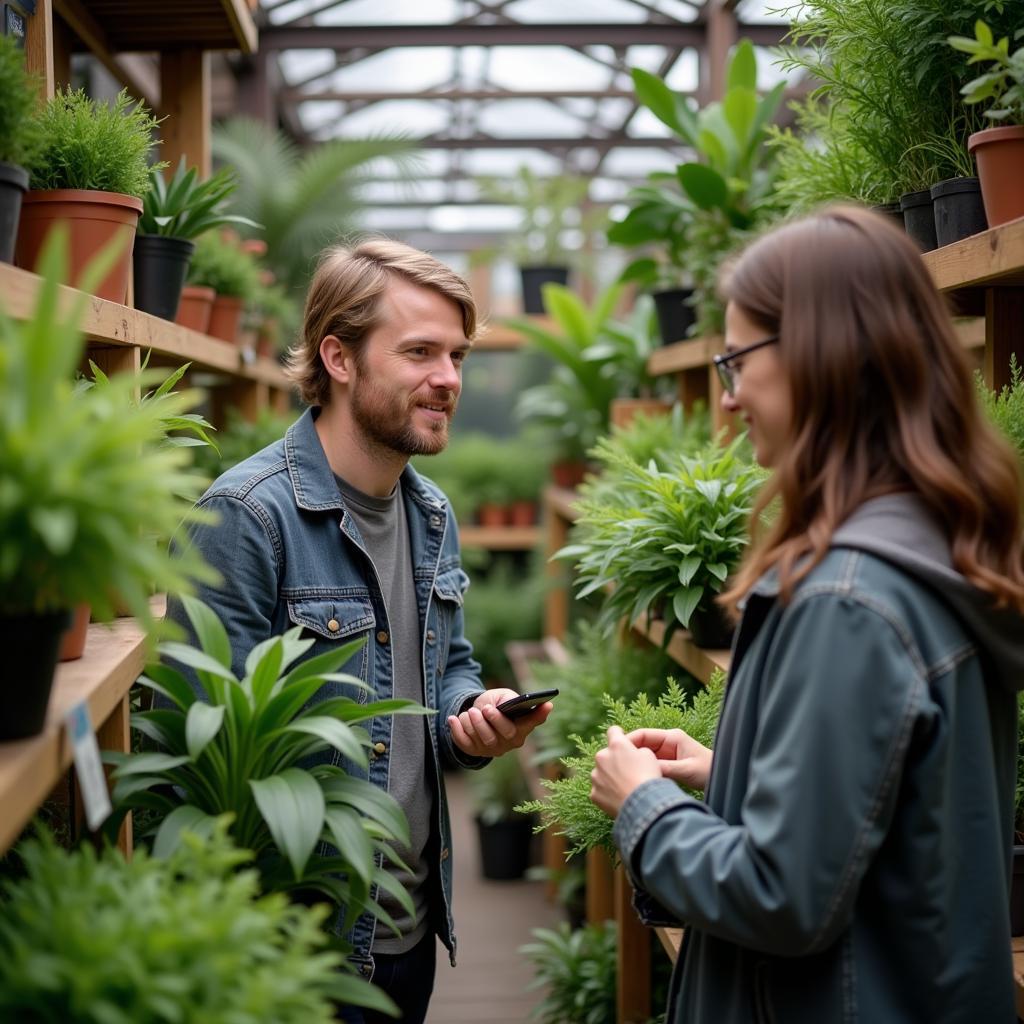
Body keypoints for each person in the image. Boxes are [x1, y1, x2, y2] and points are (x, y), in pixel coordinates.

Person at [589, 206, 1024, 1023]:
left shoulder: (848, 601)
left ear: (821, 354)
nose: (729, 395)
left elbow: (781, 897)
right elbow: (898, 822)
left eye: (736, 359)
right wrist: (734, 774)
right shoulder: (931, 544)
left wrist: (643, 804)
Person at [166, 239, 552, 1024]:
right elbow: (195, 755)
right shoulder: (247, 517)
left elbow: (445, 666)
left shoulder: (430, 512)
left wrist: (471, 715)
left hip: (407, 934)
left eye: (457, 355)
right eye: (419, 352)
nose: (448, 379)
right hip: (294, 950)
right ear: (338, 358)